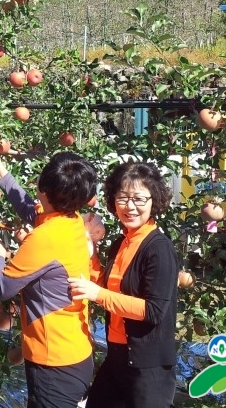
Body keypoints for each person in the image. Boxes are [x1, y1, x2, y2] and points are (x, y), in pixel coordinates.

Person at [0, 138, 97, 408]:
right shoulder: (71, 221)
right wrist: (0, 169)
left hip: (53, 362)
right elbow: (30, 210)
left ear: (42, 187)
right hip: (75, 352)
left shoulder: (44, 238)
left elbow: (3, 287)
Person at [68, 160, 179, 408]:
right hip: (117, 356)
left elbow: (153, 311)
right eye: (122, 198)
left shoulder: (159, 249)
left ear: (154, 200)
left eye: (139, 199)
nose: (130, 207)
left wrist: (98, 295)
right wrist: (90, 248)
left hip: (148, 367)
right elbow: (101, 283)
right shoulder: (121, 243)